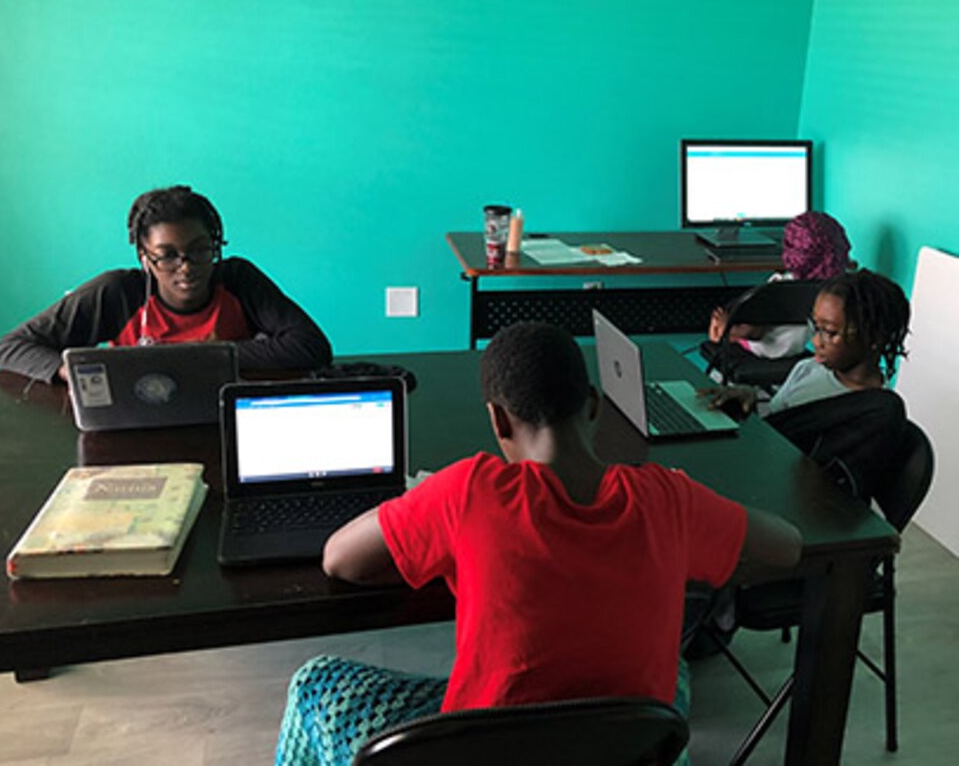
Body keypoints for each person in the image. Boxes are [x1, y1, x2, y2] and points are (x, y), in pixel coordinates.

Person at [275, 322, 802, 766]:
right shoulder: (668, 498)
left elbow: (340, 558)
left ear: (497, 419)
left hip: (485, 749)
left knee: (313, 682)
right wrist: (693, 515)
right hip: (619, 747)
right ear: (593, 405)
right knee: (676, 675)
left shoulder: (469, 490)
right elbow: (787, 546)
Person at [0, 185, 332, 383]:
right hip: (134, 423)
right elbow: (11, 347)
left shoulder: (238, 280)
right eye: (167, 255)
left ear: (215, 246)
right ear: (144, 256)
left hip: (219, 421)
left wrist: (196, 356)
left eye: (200, 251)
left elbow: (311, 346)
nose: (186, 267)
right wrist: (69, 371)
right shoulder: (117, 293)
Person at [704, 268, 910, 417]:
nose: (816, 341)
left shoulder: (873, 411)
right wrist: (749, 396)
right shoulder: (807, 368)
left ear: (872, 338)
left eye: (829, 332)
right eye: (815, 327)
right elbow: (777, 415)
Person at [708, 211, 853, 359]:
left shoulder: (779, 286)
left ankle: (724, 331)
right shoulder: (836, 290)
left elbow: (756, 332)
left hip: (765, 351)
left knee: (734, 324)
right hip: (801, 353)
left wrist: (728, 327)